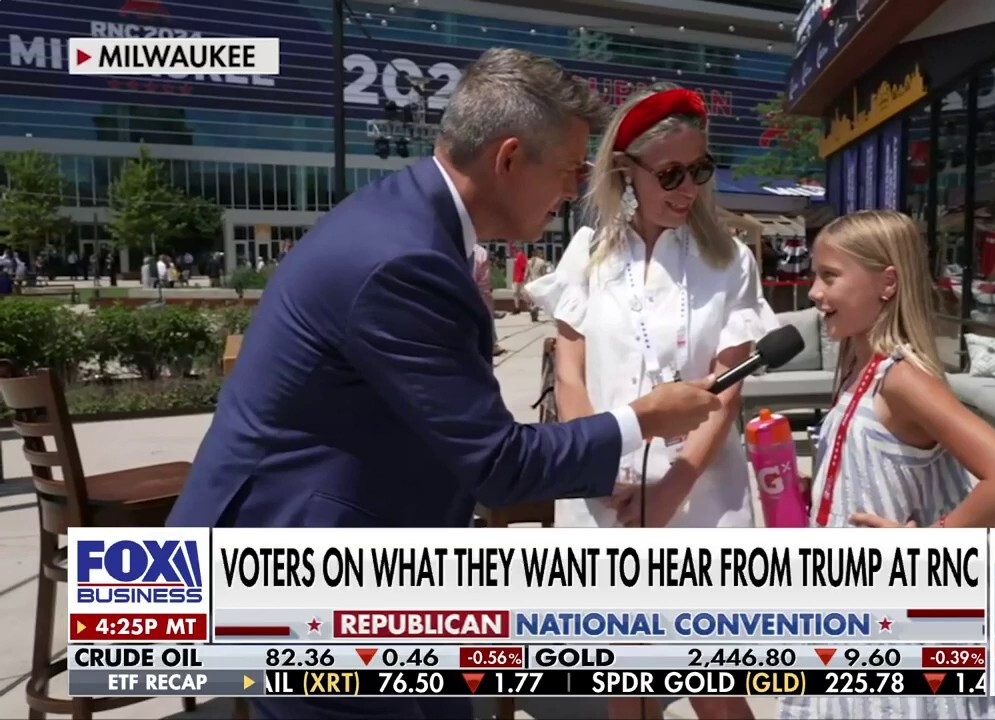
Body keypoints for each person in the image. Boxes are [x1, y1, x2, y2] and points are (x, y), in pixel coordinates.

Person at [167, 48, 722, 720]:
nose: (576, 189)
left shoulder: (409, 220)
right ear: (509, 159)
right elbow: (497, 463)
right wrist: (642, 419)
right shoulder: (405, 262)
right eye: (571, 170)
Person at [525, 83, 775, 720]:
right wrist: (594, 467)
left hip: (701, 494)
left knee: (716, 687)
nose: (688, 188)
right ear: (624, 170)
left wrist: (670, 490)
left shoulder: (732, 260)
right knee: (626, 690)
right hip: (605, 493)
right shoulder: (588, 253)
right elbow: (573, 373)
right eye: (669, 172)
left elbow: (727, 389)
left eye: (700, 170)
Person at [778, 210, 995, 720]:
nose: (813, 292)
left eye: (829, 276)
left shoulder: (902, 378)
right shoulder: (856, 368)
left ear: (887, 283)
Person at [471, 242, 505, 356]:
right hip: (476, 303)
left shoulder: (443, 245)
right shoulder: (480, 253)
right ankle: (492, 345)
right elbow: (484, 289)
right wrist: (490, 308)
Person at [525, 246, 551, 321]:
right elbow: (543, 273)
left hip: (530, 281)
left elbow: (526, 274)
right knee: (537, 299)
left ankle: (532, 312)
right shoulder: (542, 262)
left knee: (532, 299)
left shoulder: (529, 261)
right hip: (538, 282)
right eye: (542, 253)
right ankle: (534, 311)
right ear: (539, 254)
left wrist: (524, 282)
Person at [511, 245, 529, 312]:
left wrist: (525, 276)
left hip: (520, 278)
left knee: (521, 293)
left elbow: (526, 266)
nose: (513, 251)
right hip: (515, 278)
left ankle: (529, 306)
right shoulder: (516, 256)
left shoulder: (521, 256)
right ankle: (517, 307)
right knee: (515, 293)